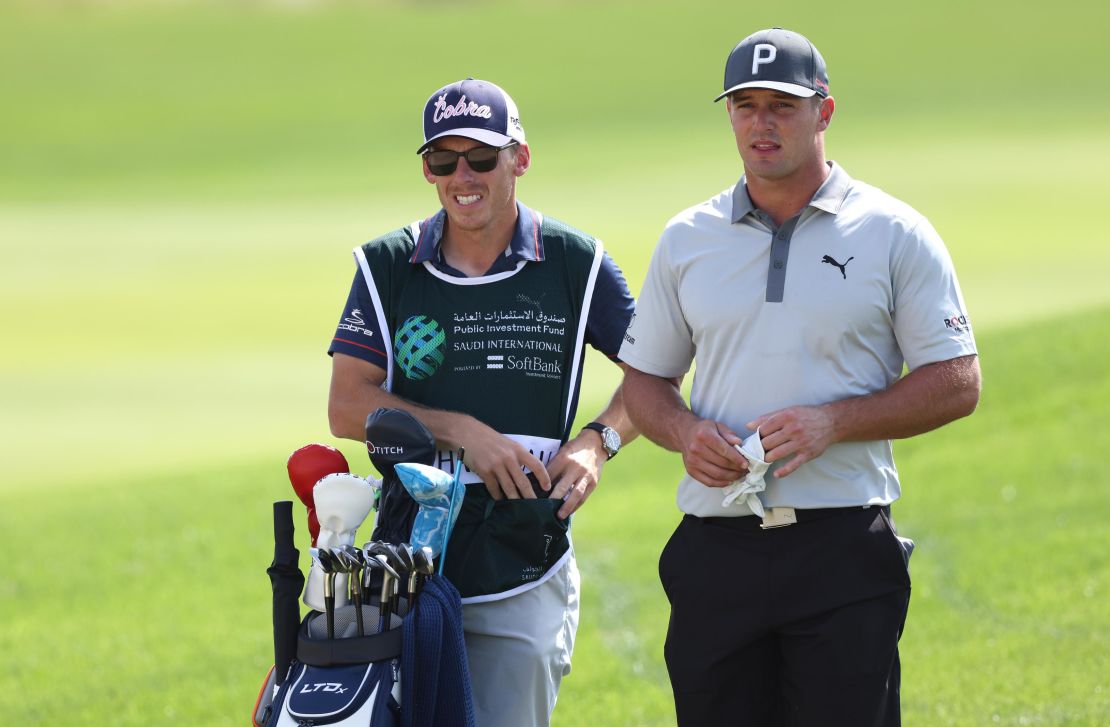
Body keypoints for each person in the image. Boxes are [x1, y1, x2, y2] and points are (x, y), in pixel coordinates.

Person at [619, 28, 981, 726]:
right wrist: (684, 430)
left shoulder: (894, 232)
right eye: (745, 104)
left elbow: (958, 380)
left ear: (824, 111)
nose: (762, 122)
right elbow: (645, 383)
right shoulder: (687, 238)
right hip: (716, 543)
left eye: (782, 104)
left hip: (841, 546)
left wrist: (833, 422)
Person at [327, 77, 637, 727]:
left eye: (482, 157)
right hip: (405, 563)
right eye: (444, 159)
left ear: (520, 158)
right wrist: (461, 430)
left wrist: (597, 440)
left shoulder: (577, 262)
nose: (462, 175)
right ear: (426, 168)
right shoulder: (387, 265)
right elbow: (347, 405)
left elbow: (654, 376)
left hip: (525, 559)